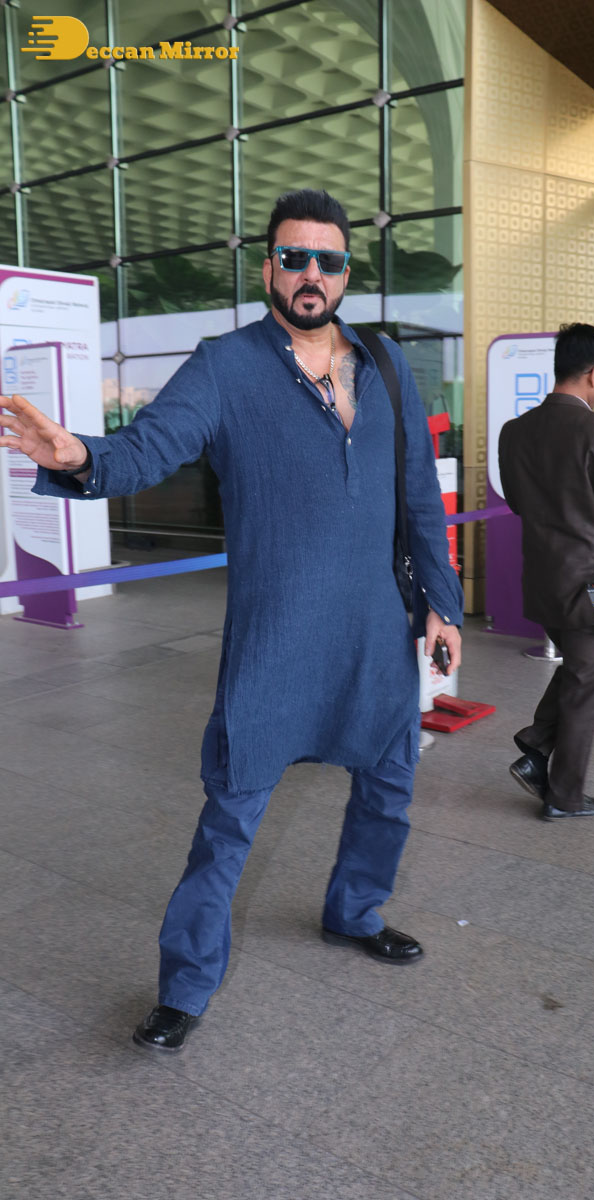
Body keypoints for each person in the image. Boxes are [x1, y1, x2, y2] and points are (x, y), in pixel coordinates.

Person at [0, 188, 463, 1051]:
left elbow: (417, 501)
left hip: (376, 629)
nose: (311, 274)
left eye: (328, 260)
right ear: (268, 267)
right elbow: (146, 449)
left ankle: (356, 912)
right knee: (231, 814)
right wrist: (77, 455)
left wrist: (442, 604)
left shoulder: (385, 363)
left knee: (389, 786)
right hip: (277, 637)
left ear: (346, 273)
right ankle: (185, 985)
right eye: (294, 257)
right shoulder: (225, 366)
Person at [498, 322, 594, 821]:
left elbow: (519, 502)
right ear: (593, 374)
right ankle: (563, 796)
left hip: (544, 583)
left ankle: (536, 746)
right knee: (591, 680)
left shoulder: (515, 432)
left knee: (581, 671)